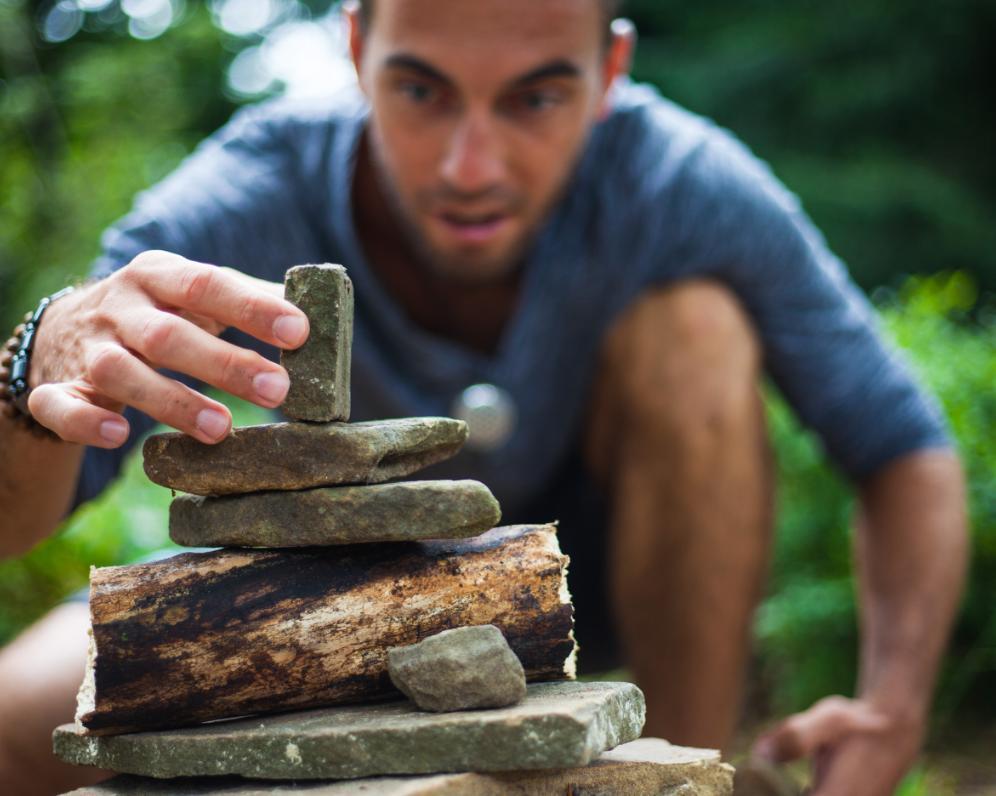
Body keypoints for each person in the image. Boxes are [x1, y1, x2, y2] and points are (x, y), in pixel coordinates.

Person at [0, 1, 967, 794]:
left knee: (697, 332)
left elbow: (900, 444)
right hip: (323, 602)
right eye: (421, 90)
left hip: (617, 592)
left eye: (535, 99)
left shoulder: (680, 183)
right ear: (355, 48)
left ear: (611, 72)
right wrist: (32, 367)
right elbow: (30, 501)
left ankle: (676, 773)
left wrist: (893, 705)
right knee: (14, 722)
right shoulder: (252, 190)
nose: (472, 167)